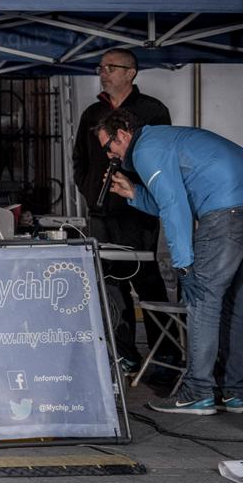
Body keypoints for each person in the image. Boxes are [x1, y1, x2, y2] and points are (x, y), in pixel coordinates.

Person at [101, 109, 243, 415]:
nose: (109, 156)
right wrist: (134, 193)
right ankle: (237, 393)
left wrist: (184, 266)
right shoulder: (163, 140)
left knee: (201, 300)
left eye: (108, 147)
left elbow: (174, 208)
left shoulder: (145, 150)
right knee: (237, 300)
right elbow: (178, 199)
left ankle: (198, 391)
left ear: (124, 134)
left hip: (229, 208)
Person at [71, 49, 172, 373]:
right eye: (100, 67)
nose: (103, 72)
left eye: (111, 67)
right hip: (100, 212)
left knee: (147, 279)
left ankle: (165, 352)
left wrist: (137, 189)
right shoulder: (92, 112)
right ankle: (125, 353)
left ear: (131, 72)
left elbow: (162, 158)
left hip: (137, 211)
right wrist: (88, 188)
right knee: (110, 284)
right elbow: (79, 159)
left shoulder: (152, 110)